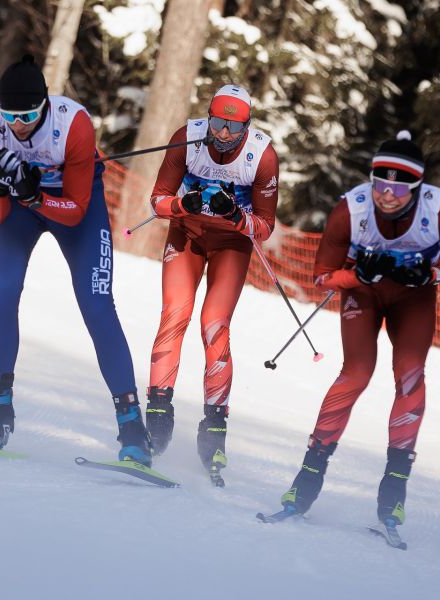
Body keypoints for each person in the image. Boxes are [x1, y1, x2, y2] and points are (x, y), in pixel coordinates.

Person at [277, 131, 440, 534]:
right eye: (379, 185)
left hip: (413, 297)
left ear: (416, 187)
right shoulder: (351, 208)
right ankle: (306, 480)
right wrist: (359, 275)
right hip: (364, 294)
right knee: (355, 374)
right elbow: (321, 276)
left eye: (399, 188)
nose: (387, 195)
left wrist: (430, 273)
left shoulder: (438, 207)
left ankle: (394, 493)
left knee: (410, 375)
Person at [0, 54, 152, 465]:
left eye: (29, 115)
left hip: (71, 207)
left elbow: (76, 210)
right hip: (19, 210)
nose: (18, 125)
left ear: (45, 105)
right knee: (3, 291)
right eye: (11, 115)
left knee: (97, 305)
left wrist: (34, 194)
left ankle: (132, 426)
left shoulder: (74, 124)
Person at [144, 85, 280, 486]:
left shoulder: (262, 155)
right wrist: (181, 205)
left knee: (214, 325)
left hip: (231, 244)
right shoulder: (187, 138)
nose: (223, 133)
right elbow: (157, 200)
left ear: (246, 127)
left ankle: (214, 431)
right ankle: (157, 418)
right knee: (174, 314)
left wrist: (236, 215)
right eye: (217, 123)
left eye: (233, 127)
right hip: (186, 234)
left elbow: (265, 226)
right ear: (208, 117)